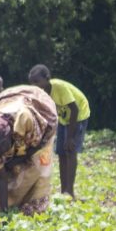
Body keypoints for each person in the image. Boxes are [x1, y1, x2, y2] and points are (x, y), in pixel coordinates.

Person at [0, 85, 57, 220]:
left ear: (11, 135)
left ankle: (31, 212)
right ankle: (4, 209)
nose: (0, 153)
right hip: (8, 109)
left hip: (41, 115)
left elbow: (38, 144)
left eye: (3, 148)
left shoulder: (26, 120)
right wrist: (4, 211)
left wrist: (17, 160)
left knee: (36, 169)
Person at [28, 65, 91, 198]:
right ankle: (64, 191)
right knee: (61, 152)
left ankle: (70, 191)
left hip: (78, 116)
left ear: (47, 78)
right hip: (63, 119)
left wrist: (70, 137)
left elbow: (74, 109)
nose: (34, 85)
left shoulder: (59, 87)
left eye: (37, 81)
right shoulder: (40, 93)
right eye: (32, 82)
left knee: (70, 150)